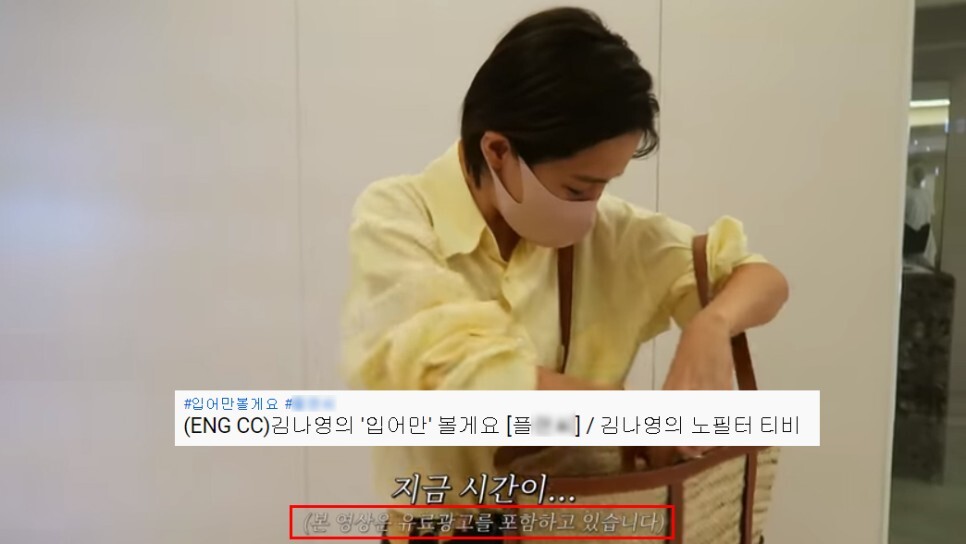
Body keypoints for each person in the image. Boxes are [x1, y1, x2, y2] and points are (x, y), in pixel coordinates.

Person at [340, 7, 789, 543]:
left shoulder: (612, 233)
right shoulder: (398, 218)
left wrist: (711, 324)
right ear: (498, 150)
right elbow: (466, 383)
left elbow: (761, 279)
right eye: (577, 188)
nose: (592, 206)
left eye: (605, 185)